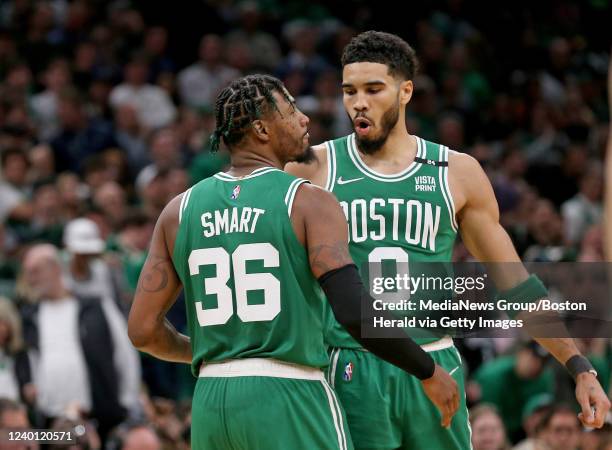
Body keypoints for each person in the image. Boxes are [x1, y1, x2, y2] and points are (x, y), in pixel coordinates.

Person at [286, 30, 611, 449]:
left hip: (435, 359)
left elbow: (516, 283)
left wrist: (578, 365)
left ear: (405, 91)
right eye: (349, 91)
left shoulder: (455, 172)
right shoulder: (314, 168)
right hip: (351, 365)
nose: (358, 103)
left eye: (373, 89)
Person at [128, 74, 459, 450]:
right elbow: (353, 311)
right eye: (290, 111)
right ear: (261, 130)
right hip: (289, 393)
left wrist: (223, 352)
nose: (305, 119)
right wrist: (427, 369)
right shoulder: (308, 201)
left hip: (210, 398)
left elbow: (143, 331)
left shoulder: (177, 212)